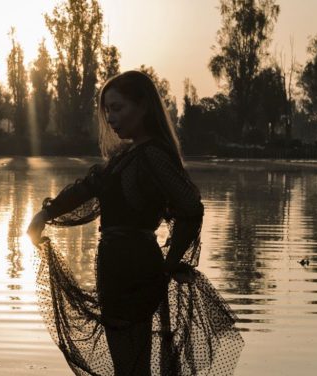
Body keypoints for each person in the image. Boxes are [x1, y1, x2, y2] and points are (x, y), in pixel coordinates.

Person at [28, 70, 243, 376]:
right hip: (117, 265)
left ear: (142, 107)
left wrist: (170, 263)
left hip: (133, 267)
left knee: (129, 367)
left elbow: (190, 209)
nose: (111, 118)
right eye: (107, 110)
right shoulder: (129, 155)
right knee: (129, 367)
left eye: (118, 108)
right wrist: (46, 214)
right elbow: (89, 188)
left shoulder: (153, 154)